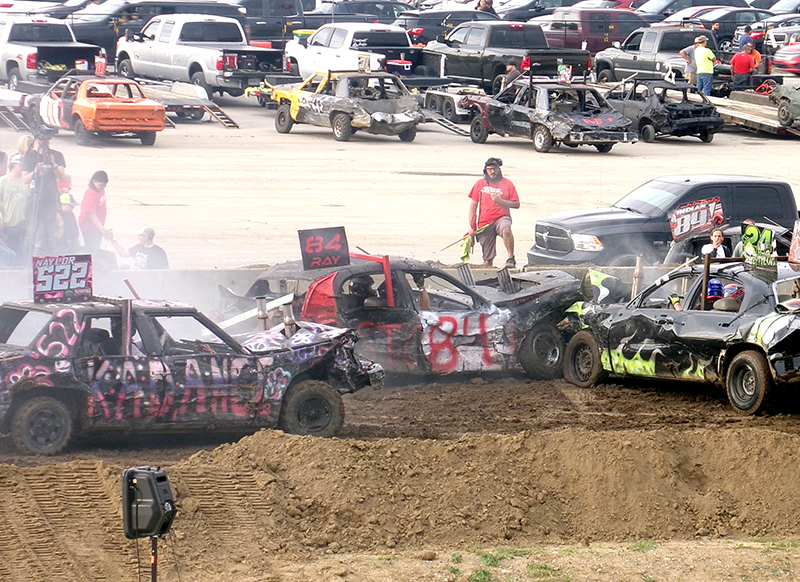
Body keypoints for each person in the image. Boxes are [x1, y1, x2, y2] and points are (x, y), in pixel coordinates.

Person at [467, 157, 520, 268]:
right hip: (484, 223)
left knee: (506, 229)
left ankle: (510, 258)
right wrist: (472, 227)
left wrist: (501, 201)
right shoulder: (480, 184)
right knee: (487, 261)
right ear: (485, 170)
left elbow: (516, 204)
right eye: (489, 169)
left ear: (499, 169)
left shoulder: (508, 184)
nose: (492, 172)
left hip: (502, 217)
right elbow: (473, 205)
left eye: (495, 169)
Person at [21, 129, 66, 256]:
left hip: (50, 198)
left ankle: (50, 257)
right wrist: (35, 171)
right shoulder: (30, 157)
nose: (43, 143)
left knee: (49, 231)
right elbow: (24, 179)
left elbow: (61, 176)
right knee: (32, 231)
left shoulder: (57, 155)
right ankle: (28, 259)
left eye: (46, 141)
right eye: (41, 141)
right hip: (34, 198)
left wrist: (53, 164)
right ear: (36, 141)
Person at [0, 153, 30, 256]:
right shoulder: (2, 181)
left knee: (19, 251)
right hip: (5, 224)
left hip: (21, 224)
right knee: (7, 253)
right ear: (14, 165)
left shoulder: (26, 183)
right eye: (22, 165)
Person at [78, 170, 111, 252]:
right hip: (89, 226)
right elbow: (90, 214)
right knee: (92, 250)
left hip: (97, 226)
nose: (102, 188)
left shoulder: (100, 190)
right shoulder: (91, 194)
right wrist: (102, 230)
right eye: (100, 185)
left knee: (96, 248)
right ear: (93, 182)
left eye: (104, 186)